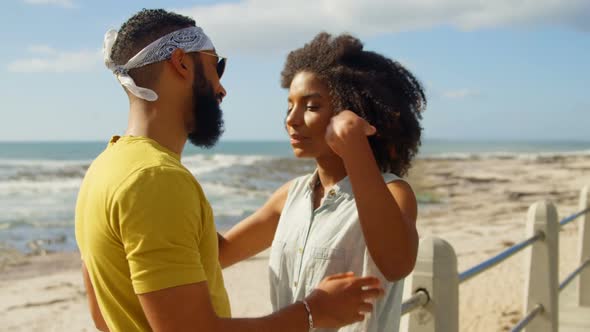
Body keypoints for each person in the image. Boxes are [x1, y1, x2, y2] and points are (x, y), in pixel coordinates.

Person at [75, 9, 383, 332]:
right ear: (181, 63)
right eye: (215, 67)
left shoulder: (102, 171)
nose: (222, 89)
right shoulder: (155, 179)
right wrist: (313, 311)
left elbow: (102, 317)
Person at [218, 32, 426, 331]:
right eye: (289, 105)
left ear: (355, 112)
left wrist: (355, 148)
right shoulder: (291, 195)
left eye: (311, 106)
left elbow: (397, 263)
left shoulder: (394, 192)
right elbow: (220, 253)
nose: (292, 118)